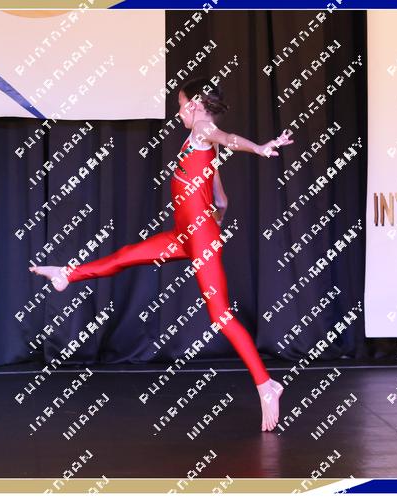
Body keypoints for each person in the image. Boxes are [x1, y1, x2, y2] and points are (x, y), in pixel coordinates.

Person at [30, 77, 294, 432]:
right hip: (186, 236)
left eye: (181, 105)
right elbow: (221, 200)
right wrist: (214, 223)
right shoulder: (199, 145)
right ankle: (67, 273)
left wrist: (259, 149)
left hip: (198, 237)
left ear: (195, 104)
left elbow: (229, 138)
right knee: (127, 255)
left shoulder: (202, 128)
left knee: (220, 315)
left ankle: (266, 385)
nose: (179, 112)